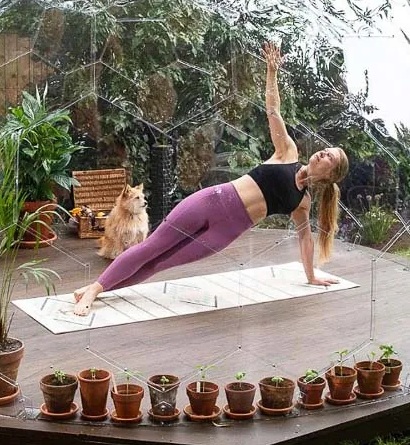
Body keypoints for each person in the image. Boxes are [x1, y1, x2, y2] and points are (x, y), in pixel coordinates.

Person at [73, 42, 350, 316]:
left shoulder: (302, 202)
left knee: (160, 263)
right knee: (152, 247)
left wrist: (312, 275)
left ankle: (95, 289)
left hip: (225, 233)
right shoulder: (288, 152)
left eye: (331, 157)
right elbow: (273, 111)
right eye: (327, 150)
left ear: (329, 175)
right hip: (212, 201)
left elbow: (305, 240)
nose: (325, 152)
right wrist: (271, 72)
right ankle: (94, 290)